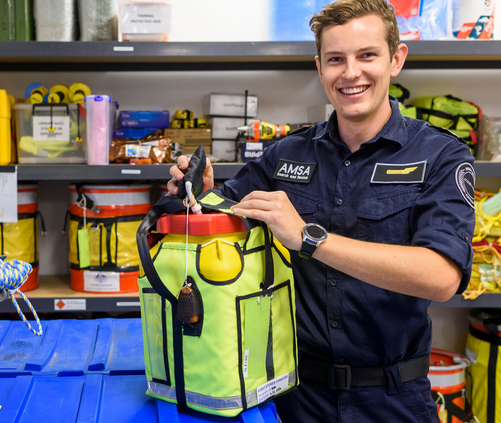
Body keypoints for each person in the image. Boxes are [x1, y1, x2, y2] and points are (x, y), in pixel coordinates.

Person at [167, 0, 475, 421]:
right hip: (294, 395)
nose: (350, 73)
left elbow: (441, 277)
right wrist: (196, 196)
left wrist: (310, 239)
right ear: (320, 68)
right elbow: (220, 216)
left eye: (367, 55)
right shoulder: (286, 154)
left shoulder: (440, 154)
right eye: (336, 59)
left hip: (394, 399)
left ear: (396, 59)